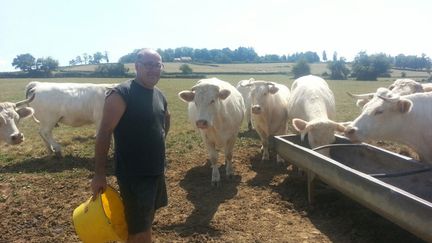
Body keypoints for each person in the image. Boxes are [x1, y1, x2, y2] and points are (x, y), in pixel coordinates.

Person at [91, 48, 170, 243]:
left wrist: (158, 141)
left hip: (155, 171)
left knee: (146, 220)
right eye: (148, 65)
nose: (153, 70)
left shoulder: (159, 95)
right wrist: (99, 173)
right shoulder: (121, 94)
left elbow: (165, 120)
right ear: (136, 66)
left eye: (157, 65)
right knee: (138, 229)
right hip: (134, 174)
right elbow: (104, 133)